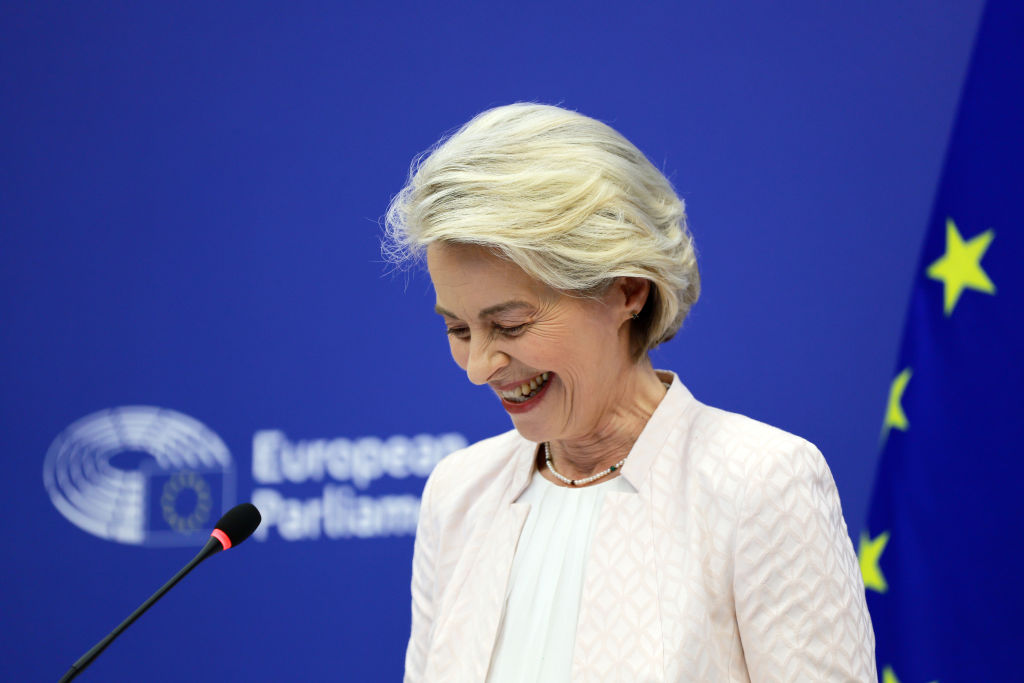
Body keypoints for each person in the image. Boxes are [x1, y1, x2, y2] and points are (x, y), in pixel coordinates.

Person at [385, 103, 875, 682]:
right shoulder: (459, 493)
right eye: (458, 329)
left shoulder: (759, 484)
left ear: (627, 291)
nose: (478, 366)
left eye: (512, 325)